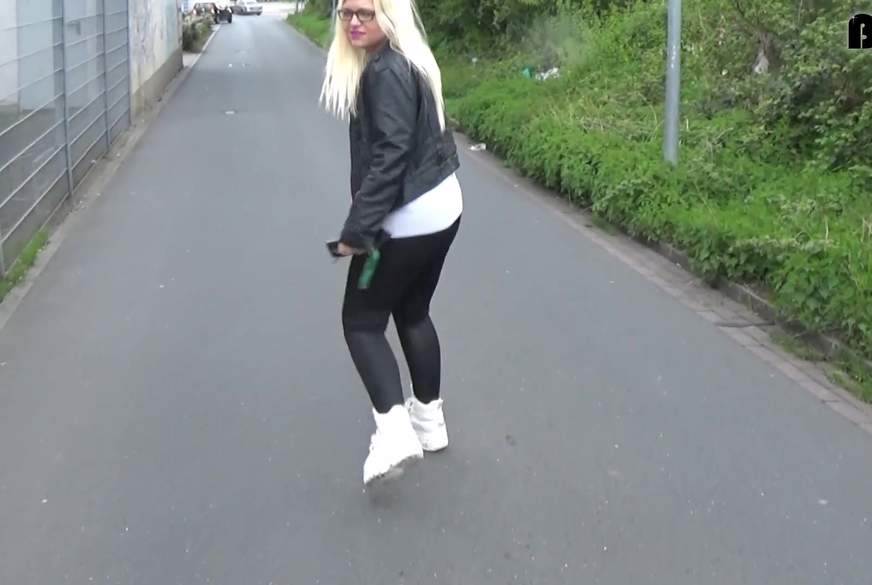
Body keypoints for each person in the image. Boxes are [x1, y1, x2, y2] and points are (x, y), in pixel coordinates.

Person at [319, 0, 463, 484]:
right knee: (413, 312)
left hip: (409, 215)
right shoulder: (412, 57)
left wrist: (357, 232)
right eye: (346, 13)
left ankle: (394, 430)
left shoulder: (385, 70)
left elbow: (391, 157)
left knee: (360, 322)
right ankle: (429, 423)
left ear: (390, 13)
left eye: (366, 13)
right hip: (443, 205)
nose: (354, 22)